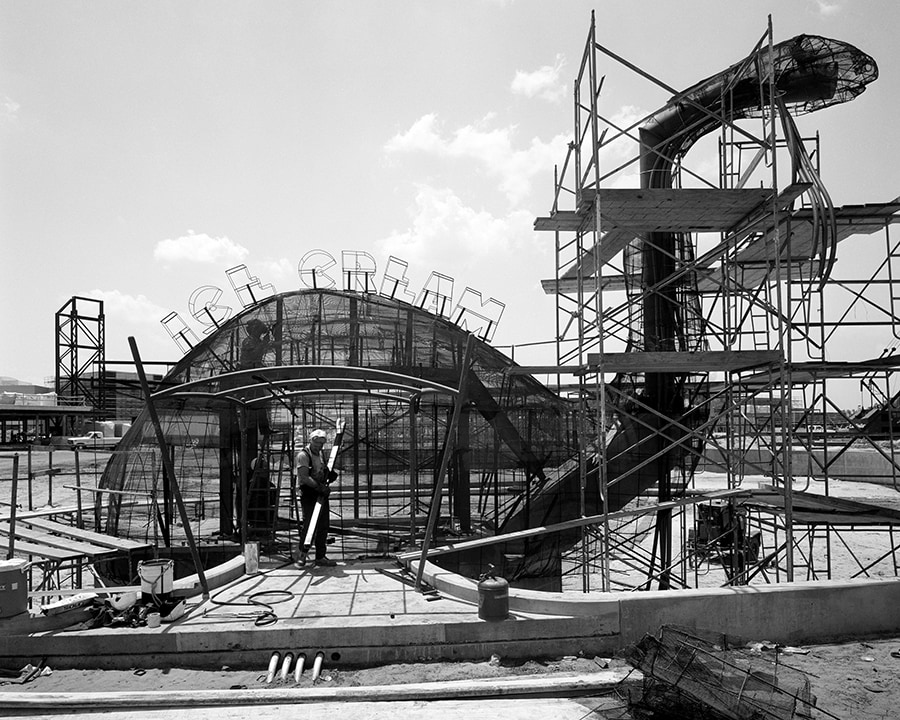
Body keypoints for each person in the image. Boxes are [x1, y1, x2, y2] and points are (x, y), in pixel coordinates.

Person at [294, 429, 337, 567]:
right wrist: (318, 487)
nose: (319, 446)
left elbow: (322, 469)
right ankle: (302, 556)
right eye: (317, 443)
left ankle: (320, 556)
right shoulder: (303, 455)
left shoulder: (320, 454)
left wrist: (329, 474)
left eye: (321, 444)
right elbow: (304, 477)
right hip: (309, 493)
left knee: (323, 525)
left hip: (320, 491)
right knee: (309, 526)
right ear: (311, 440)